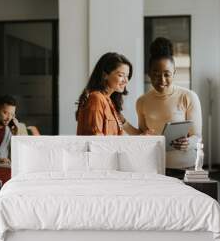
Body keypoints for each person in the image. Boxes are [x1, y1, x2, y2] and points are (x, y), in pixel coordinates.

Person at [136, 37, 202, 173]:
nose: (161, 80)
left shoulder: (188, 97)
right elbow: (142, 135)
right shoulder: (142, 101)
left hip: (185, 168)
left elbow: (197, 137)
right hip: (154, 168)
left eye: (167, 74)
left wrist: (188, 143)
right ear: (149, 74)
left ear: (174, 73)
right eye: (155, 74)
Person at [76, 52, 137, 135]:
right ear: (105, 75)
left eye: (127, 76)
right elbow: (95, 140)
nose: (126, 80)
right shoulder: (96, 99)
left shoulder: (110, 102)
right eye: (121, 75)